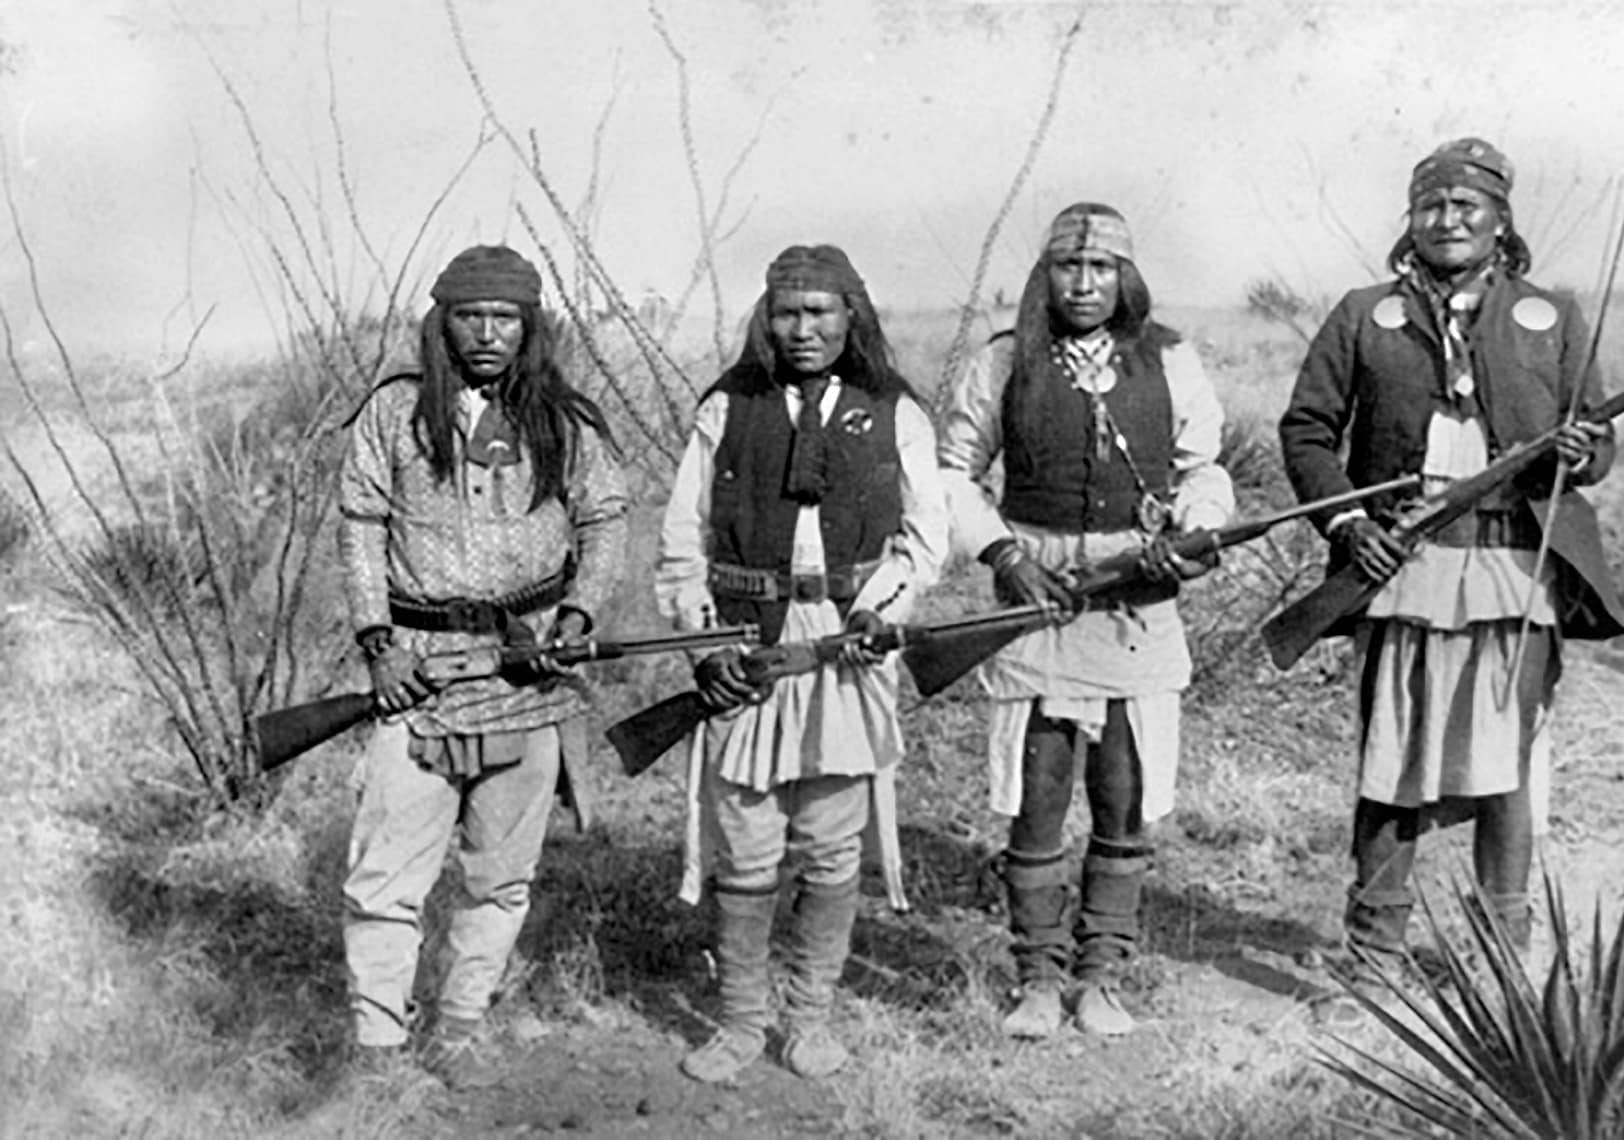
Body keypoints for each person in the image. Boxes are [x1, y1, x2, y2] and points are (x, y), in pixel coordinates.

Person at [1277, 138, 1624, 1018]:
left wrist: (1581, 452)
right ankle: (1373, 961)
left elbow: (1599, 440)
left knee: (1508, 769)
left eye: (1467, 205)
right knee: (1390, 764)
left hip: (1514, 573)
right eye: (1432, 204)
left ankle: (1503, 964)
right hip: (1402, 570)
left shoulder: (1553, 315)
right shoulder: (1364, 315)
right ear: (1412, 219)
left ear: (1500, 219)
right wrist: (1350, 526)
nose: (1448, 220)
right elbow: (1307, 431)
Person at [337, 244, 630, 1083]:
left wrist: (578, 613)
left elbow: (606, 517)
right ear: (444, 323)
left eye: (506, 318)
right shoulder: (394, 414)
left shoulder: (564, 420)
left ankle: (459, 1028)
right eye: (471, 317)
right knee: (384, 879)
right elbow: (359, 523)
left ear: (530, 327)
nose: (489, 334)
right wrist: (379, 644)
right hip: (418, 677)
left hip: (528, 676)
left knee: (500, 878)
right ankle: (378, 1049)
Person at [941, 202, 1234, 1039]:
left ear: (1124, 276)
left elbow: (1204, 468)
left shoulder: (1169, 359)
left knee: (1122, 793)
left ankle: (1101, 975)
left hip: (1135, 599)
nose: (1083, 283)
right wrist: (1005, 555)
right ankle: (1036, 977)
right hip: (1038, 600)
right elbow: (954, 473)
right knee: (1037, 795)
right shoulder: (1005, 361)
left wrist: (1192, 532)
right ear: (1047, 274)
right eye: (1068, 267)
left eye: (1101, 268)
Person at [654, 244, 945, 1082]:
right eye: (787, 313)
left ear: (852, 315)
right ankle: (740, 1023)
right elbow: (682, 537)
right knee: (746, 843)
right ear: (766, 319)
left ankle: (809, 1020)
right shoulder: (728, 407)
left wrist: (879, 611)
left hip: (844, 647)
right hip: (746, 640)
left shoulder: (895, 411)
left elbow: (924, 538)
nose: (803, 329)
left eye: (820, 312)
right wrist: (707, 640)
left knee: (829, 843)